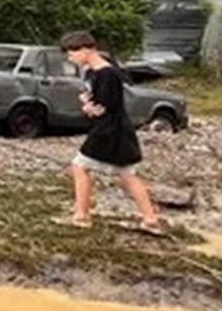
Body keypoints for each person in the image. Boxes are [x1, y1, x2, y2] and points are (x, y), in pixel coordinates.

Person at [59, 30, 166, 234]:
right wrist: (87, 104)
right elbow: (95, 100)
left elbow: (106, 106)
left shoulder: (108, 74)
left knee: (79, 166)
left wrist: (90, 108)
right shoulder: (91, 72)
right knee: (127, 174)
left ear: (85, 49)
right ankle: (150, 219)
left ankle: (81, 216)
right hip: (112, 129)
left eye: (71, 55)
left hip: (110, 130)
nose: (69, 59)